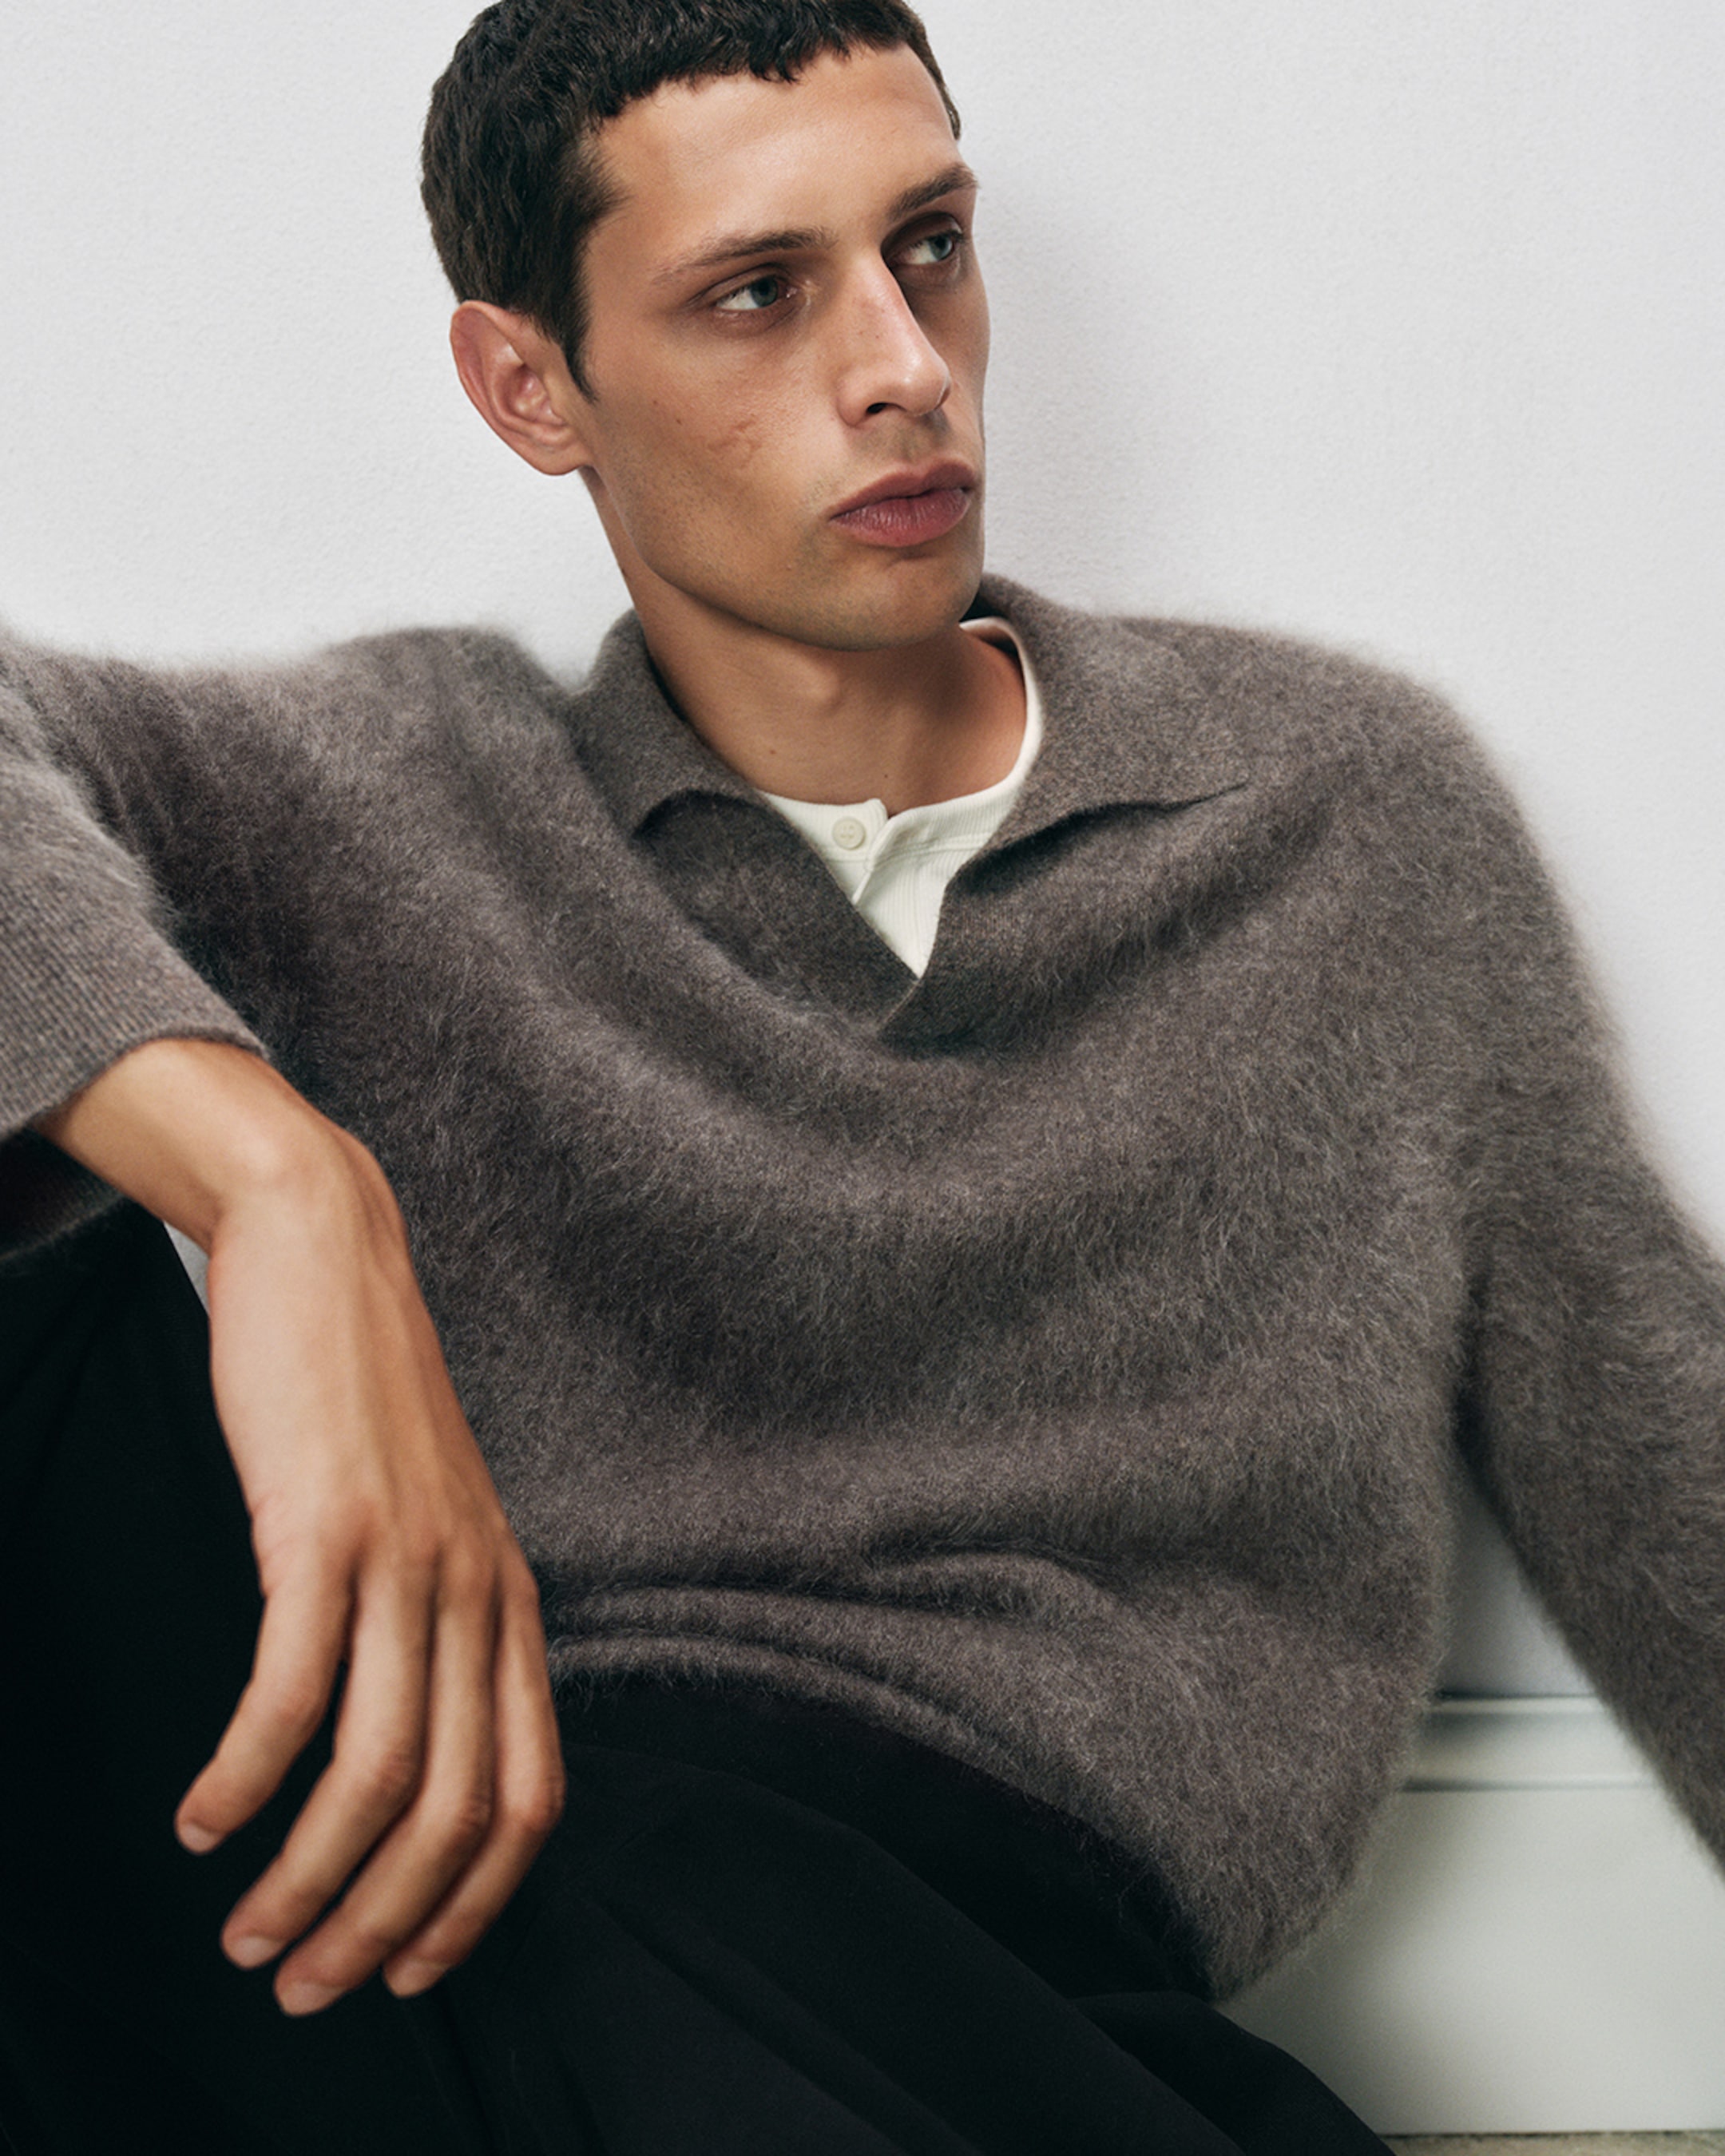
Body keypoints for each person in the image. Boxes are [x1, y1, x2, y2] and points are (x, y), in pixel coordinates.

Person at [1, 2, 1720, 2149]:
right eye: (757, 291)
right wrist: (273, 1182)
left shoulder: (1344, 824)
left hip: (939, 1940)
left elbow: (1675, 1481)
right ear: (534, 387)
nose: (902, 361)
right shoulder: (385, 793)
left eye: (930, 246)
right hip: (395, 1900)